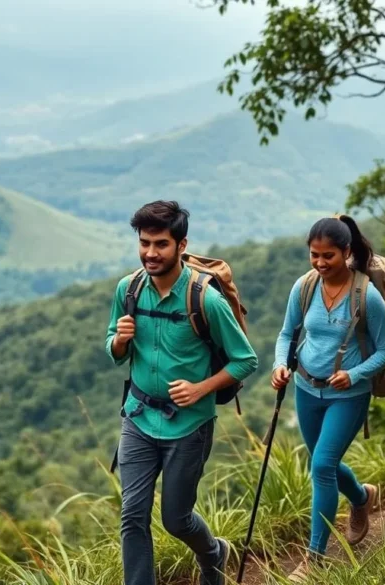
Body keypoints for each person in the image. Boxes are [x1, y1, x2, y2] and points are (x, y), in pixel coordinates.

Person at [105, 200, 259, 585]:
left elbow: (246, 360)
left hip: (189, 426)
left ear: (181, 245)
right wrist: (119, 342)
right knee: (133, 515)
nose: (150, 253)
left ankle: (214, 552)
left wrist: (200, 388)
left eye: (160, 244)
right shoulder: (128, 289)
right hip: (138, 417)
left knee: (176, 519)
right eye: (144, 243)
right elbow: (113, 348)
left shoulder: (204, 298)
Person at [270, 215, 385, 581]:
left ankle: (314, 558)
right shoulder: (305, 286)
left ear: (346, 252)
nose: (321, 263)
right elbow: (286, 334)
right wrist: (281, 365)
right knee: (323, 463)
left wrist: (355, 374)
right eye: (314, 255)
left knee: (322, 466)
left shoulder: (365, 295)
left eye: (329, 256)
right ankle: (361, 497)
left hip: (348, 395)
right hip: (307, 389)